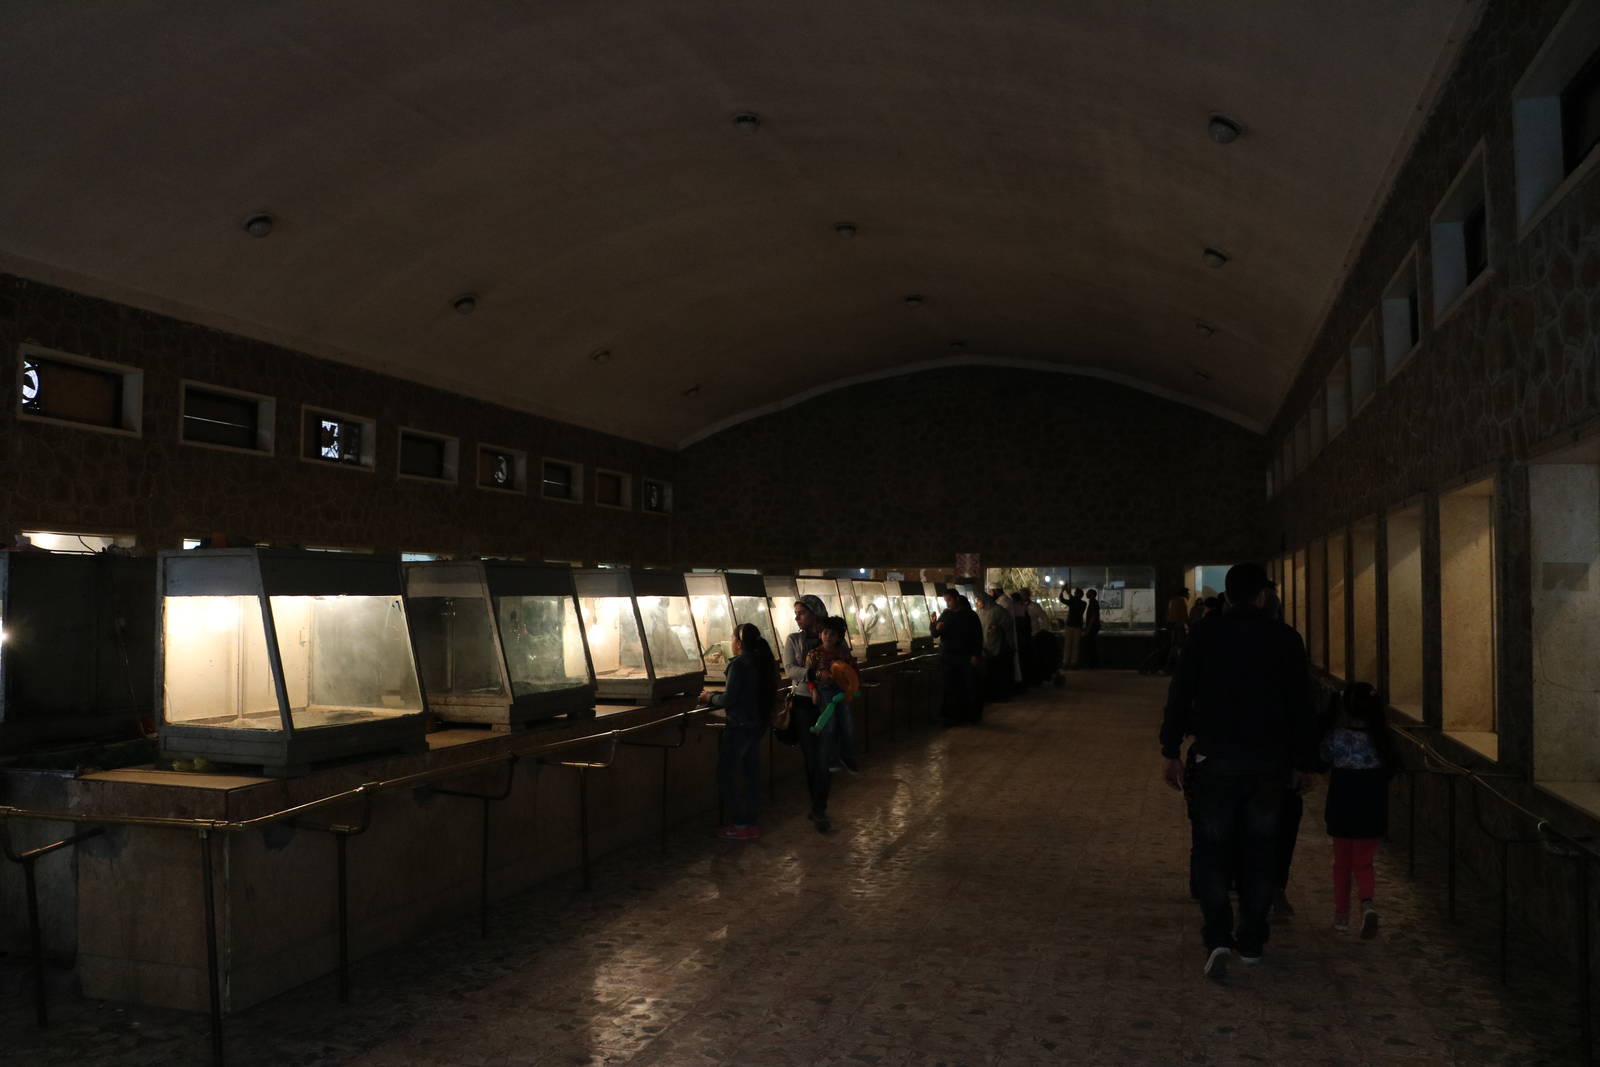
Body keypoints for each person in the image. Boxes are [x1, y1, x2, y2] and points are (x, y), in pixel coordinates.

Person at [1160, 562, 1317, 980]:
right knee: (1261, 850)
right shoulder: (1285, 639)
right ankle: (1252, 938)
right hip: (1269, 761)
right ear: (1263, 595)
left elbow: (1180, 693)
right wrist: (1305, 761)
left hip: (1216, 756)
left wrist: (1171, 749)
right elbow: (1302, 705)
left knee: (1212, 850)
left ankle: (1217, 936)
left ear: (1227, 596)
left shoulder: (1205, 635)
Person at [1320, 681, 1398, 938]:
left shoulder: (1338, 738)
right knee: (1364, 862)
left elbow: (1323, 758)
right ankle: (1367, 903)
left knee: (1341, 862)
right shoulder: (1381, 740)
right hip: (1371, 807)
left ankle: (1341, 915)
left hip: (1342, 804)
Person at [701, 623, 776, 840]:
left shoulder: (740, 664)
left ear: (739, 643)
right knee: (751, 776)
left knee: (725, 776)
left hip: (739, 727)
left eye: (732, 638)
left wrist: (709, 698)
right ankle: (751, 823)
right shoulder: (761, 661)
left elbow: (729, 698)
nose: (730, 642)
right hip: (756, 725)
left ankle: (740, 824)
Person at [782, 594, 836, 832]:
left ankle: (820, 805)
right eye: (796, 614)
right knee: (813, 756)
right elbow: (790, 669)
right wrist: (812, 675)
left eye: (801, 613)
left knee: (823, 756)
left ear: (815, 614)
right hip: (804, 703)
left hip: (827, 702)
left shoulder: (831, 638)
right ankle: (818, 806)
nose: (797, 618)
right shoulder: (794, 640)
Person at [807, 616, 861, 753]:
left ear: (839, 637)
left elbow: (853, 669)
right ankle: (830, 757)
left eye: (833, 634)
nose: (828, 636)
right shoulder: (814, 654)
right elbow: (809, 674)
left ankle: (846, 755)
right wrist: (813, 691)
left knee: (847, 723)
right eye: (825, 632)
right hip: (824, 690)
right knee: (828, 724)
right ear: (820, 633)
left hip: (841, 690)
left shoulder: (843, 652)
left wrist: (853, 688)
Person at [932, 589, 983, 725]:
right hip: (948, 657)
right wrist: (935, 626)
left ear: (956, 599)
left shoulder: (970, 615)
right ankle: (952, 717)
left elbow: (977, 637)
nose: (947, 604)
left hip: (965, 657)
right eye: (945, 601)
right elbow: (935, 634)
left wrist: (975, 654)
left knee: (967, 686)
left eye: (949, 600)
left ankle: (970, 716)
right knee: (951, 687)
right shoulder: (946, 614)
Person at [973, 591, 1014, 702]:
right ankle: (992, 694)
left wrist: (997, 628)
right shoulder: (981, 612)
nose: (977, 603)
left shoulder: (998, 610)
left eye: (979, 601)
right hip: (986, 645)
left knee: (999, 671)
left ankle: (1001, 695)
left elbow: (1008, 625)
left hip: (999, 645)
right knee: (990, 672)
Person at [1060, 587, 1086, 669]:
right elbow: (1074, 601)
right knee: (1075, 645)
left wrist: (1064, 591)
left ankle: (1066, 662)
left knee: (1068, 645)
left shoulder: (1076, 602)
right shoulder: (1083, 603)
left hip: (1070, 625)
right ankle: (1073, 663)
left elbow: (1062, 599)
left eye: (1076, 593)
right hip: (1077, 626)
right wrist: (1068, 593)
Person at [1080, 588, 1101, 668]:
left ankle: (1092, 663)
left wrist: (1088, 628)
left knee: (1091, 645)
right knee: (1092, 645)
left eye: (1088, 593)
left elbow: (1093, 616)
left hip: (1093, 627)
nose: (1086, 594)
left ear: (1091, 594)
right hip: (1093, 626)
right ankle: (1093, 663)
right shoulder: (1093, 602)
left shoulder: (1093, 603)